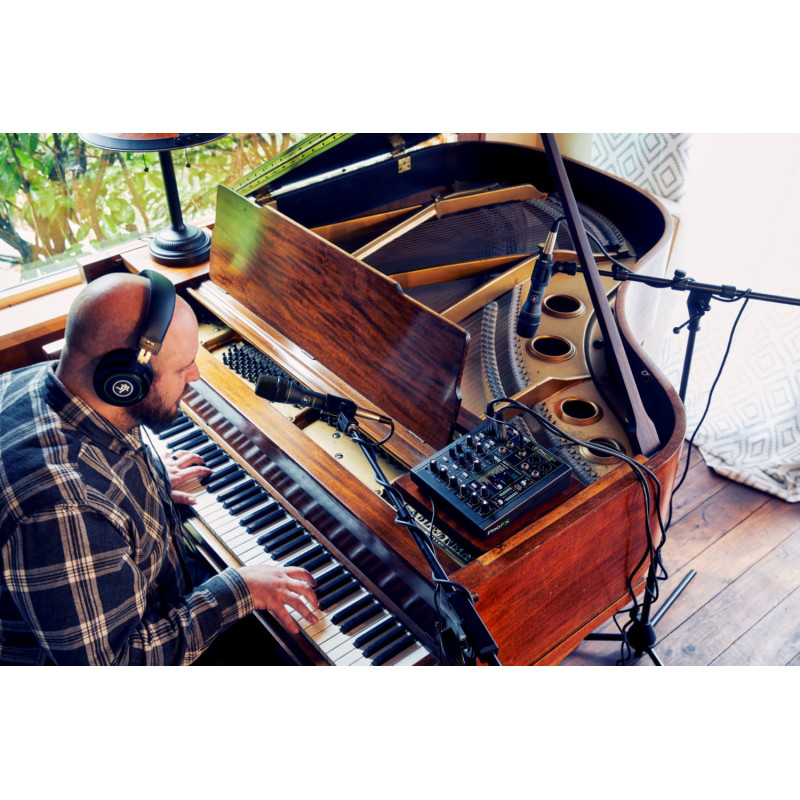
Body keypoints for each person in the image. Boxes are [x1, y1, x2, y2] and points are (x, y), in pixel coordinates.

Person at [0, 271, 319, 665]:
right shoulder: (64, 509)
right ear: (124, 382)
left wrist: (149, 480)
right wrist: (241, 588)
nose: (195, 376)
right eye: (182, 368)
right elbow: (116, 666)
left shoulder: (37, 381)